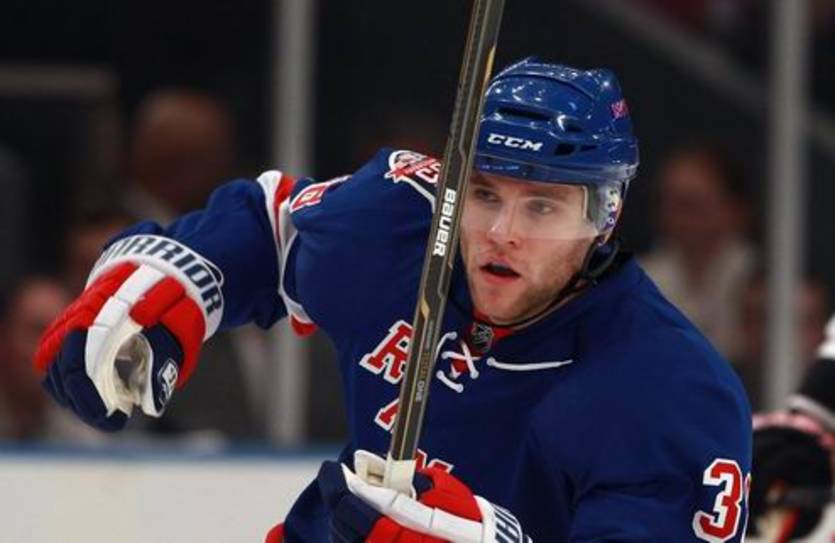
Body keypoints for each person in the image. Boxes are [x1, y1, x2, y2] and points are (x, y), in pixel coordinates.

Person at [32, 58, 751, 542]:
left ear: (606, 215)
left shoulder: (671, 393)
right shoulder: (401, 222)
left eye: (542, 206)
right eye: (484, 193)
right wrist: (176, 283)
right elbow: (270, 231)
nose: (501, 233)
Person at [641, 144, 756, 360]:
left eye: (689, 205)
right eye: (667, 203)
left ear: (733, 210)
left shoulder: (761, 279)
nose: (673, 217)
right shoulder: (641, 279)